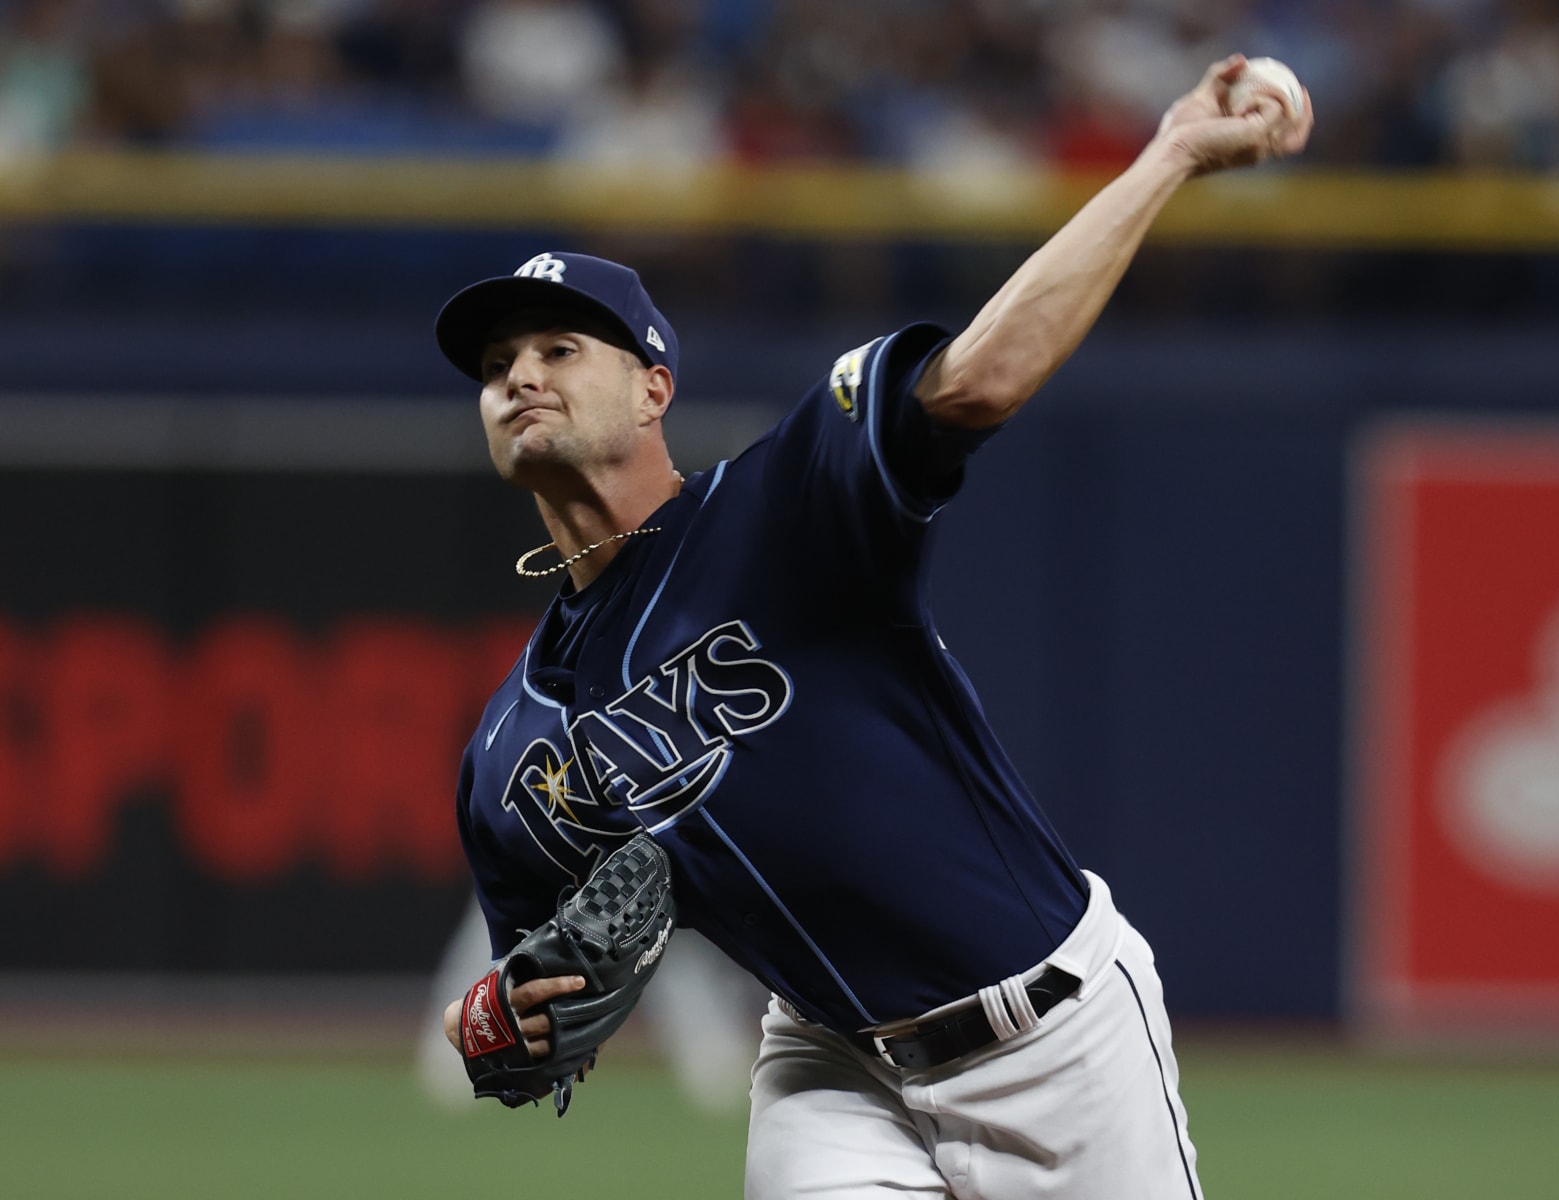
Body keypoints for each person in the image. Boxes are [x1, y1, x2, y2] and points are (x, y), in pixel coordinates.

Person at [436, 55, 1310, 1198]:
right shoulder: (514, 751)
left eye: (559, 350)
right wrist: (487, 1024)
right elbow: (522, 991)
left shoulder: (785, 501)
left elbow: (983, 380)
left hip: (1053, 1032)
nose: (518, 379)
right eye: (496, 365)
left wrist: (1173, 155)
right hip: (830, 1068)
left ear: (655, 387)